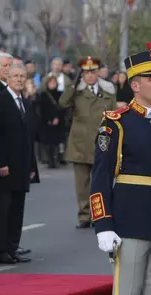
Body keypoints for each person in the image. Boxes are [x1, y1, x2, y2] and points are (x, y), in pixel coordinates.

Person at [90, 45, 151, 294]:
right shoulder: (117, 122)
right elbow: (101, 175)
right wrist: (103, 223)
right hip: (131, 220)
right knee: (129, 289)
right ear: (135, 86)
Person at [0, 65, 38, 264]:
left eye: (22, 76)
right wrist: (0, 162)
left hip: (23, 166)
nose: (19, 79)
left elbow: (29, 137)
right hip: (5, 166)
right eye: (15, 76)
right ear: (7, 77)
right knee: (3, 211)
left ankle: (12, 247)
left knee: (18, 210)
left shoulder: (26, 102)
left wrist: (32, 166)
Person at [57, 57, 116, 229]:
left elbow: (113, 116)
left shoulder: (108, 91)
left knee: (101, 182)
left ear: (98, 72)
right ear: (82, 74)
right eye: (86, 73)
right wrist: (73, 86)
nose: (90, 76)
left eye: (92, 72)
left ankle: (100, 214)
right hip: (80, 143)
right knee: (82, 184)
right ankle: (84, 215)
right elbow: (62, 103)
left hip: (102, 143)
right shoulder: (77, 91)